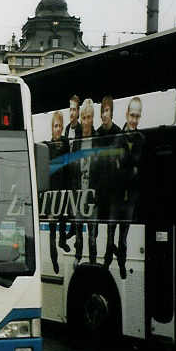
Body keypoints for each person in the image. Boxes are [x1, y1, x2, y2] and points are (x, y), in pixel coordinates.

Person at [113, 97, 143, 279]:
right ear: (126, 115)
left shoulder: (141, 139)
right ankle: (110, 256)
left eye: (137, 116)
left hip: (131, 196)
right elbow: (116, 166)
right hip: (116, 195)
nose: (134, 120)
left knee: (123, 237)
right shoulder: (117, 138)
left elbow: (138, 167)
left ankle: (121, 263)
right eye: (132, 115)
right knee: (110, 232)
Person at [96, 95, 122, 271]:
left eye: (107, 111)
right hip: (101, 187)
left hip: (114, 186)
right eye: (102, 111)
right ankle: (111, 250)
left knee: (111, 225)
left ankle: (108, 256)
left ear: (111, 113)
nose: (104, 115)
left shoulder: (118, 133)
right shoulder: (97, 133)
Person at [71, 98, 98, 265]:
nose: (87, 121)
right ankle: (78, 256)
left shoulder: (98, 139)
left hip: (93, 196)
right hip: (79, 195)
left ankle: (93, 262)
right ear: (81, 119)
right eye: (84, 118)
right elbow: (72, 171)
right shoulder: (77, 143)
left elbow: (102, 171)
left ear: (93, 118)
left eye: (89, 117)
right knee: (79, 231)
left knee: (92, 235)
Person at [46, 111, 70, 273]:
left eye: (60, 126)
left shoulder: (66, 144)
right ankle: (54, 260)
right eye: (56, 126)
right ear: (52, 127)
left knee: (62, 221)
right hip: (51, 194)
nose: (58, 129)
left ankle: (63, 242)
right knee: (52, 230)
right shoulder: (48, 147)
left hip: (63, 191)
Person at [59, 94, 82, 252]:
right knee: (64, 206)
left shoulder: (81, 129)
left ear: (78, 111)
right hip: (67, 176)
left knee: (76, 207)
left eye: (74, 109)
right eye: (70, 109)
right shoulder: (66, 129)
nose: (72, 112)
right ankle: (64, 237)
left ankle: (76, 238)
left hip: (77, 175)